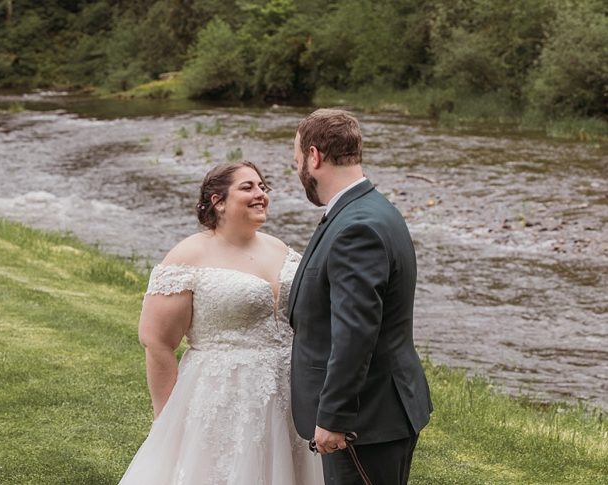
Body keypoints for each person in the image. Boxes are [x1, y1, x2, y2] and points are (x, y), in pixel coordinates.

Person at [119, 162, 322, 484]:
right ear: (218, 200)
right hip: (223, 395)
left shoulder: (280, 248)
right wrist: (167, 418)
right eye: (248, 188)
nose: (261, 195)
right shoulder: (188, 257)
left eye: (263, 187)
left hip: (290, 391)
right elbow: (157, 341)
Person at [288, 109, 433, 484]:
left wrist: (333, 416)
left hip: (363, 421)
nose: (298, 171)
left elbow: (355, 333)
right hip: (373, 415)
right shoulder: (367, 208)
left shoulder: (358, 227)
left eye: (297, 161)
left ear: (315, 157)